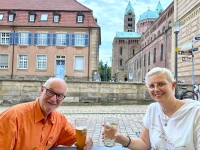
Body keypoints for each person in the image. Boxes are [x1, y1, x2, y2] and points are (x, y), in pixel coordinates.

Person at [113, 67, 200, 149]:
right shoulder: (152, 109)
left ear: (173, 85)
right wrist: (122, 139)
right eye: (151, 86)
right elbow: (145, 144)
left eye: (161, 84)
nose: (156, 89)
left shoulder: (195, 112)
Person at [0, 77, 93, 150]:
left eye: (59, 96)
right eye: (50, 92)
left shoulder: (59, 120)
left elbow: (76, 137)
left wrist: (88, 140)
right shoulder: (13, 117)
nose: (53, 99)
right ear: (42, 90)